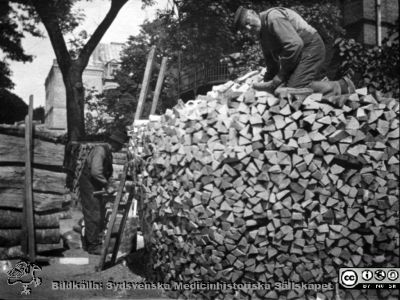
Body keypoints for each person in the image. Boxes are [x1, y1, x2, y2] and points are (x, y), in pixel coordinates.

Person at [233, 6, 355, 97]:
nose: (249, 28)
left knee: (293, 89)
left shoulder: (273, 18)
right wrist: (267, 86)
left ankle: (341, 86)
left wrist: (280, 76)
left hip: (311, 47)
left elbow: (295, 45)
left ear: (253, 13)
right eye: (245, 29)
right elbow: (271, 63)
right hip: (299, 53)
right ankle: (322, 85)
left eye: (248, 23)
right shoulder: (262, 34)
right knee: (285, 88)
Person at [79, 129, 128, 255]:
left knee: (99, 213)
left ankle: (93, 241)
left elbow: (107, 172)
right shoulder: (100, 151)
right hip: (89, 184)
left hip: (96, 185)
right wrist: (106, 185)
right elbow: (96, 172)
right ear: (115, 143)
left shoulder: (108, 153)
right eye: (120, 146)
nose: (120, 148)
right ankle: (92, 246)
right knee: (93, 214)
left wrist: (111, 183)